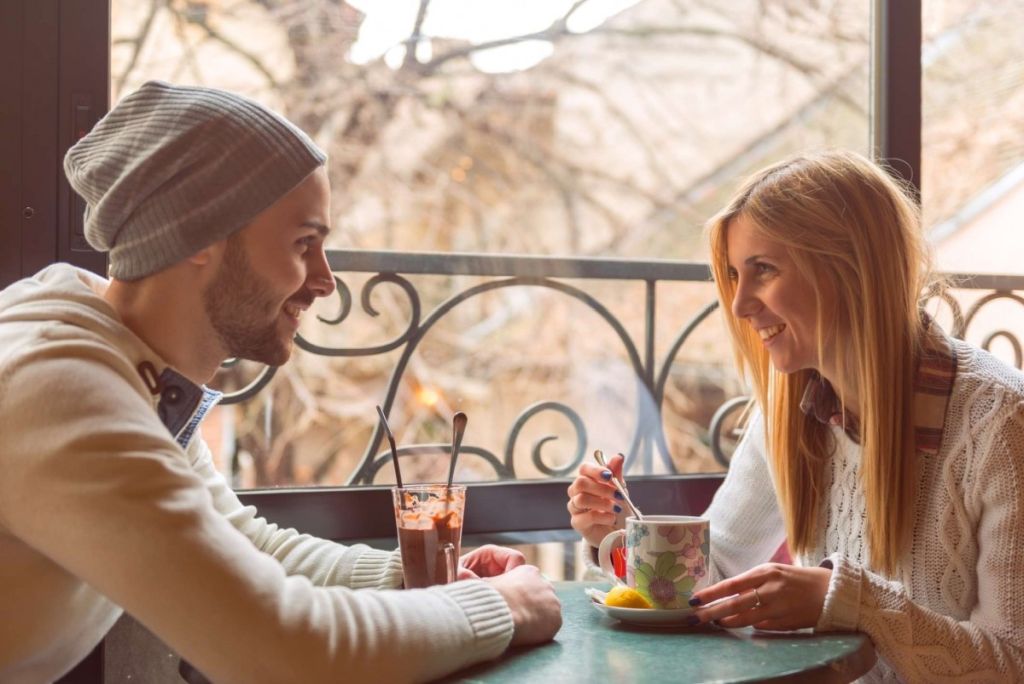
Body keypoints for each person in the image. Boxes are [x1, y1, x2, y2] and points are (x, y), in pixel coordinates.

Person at [0, 80, 560, 684]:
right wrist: (505, 605)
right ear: (199, 236)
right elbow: (289, 647)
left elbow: (234, 541)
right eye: (304, 243)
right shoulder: (67, 392)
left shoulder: (127, 366)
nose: (325, 281)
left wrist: (414, 576)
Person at [567, 150, 1023, 681]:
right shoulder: (788, 414)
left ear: (850, 269)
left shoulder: (1002, 424)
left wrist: (855, 603)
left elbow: (1012, 662)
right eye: (735, 275)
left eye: (763, 270)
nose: (739, 306)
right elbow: (712, 581)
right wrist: (622, 533)